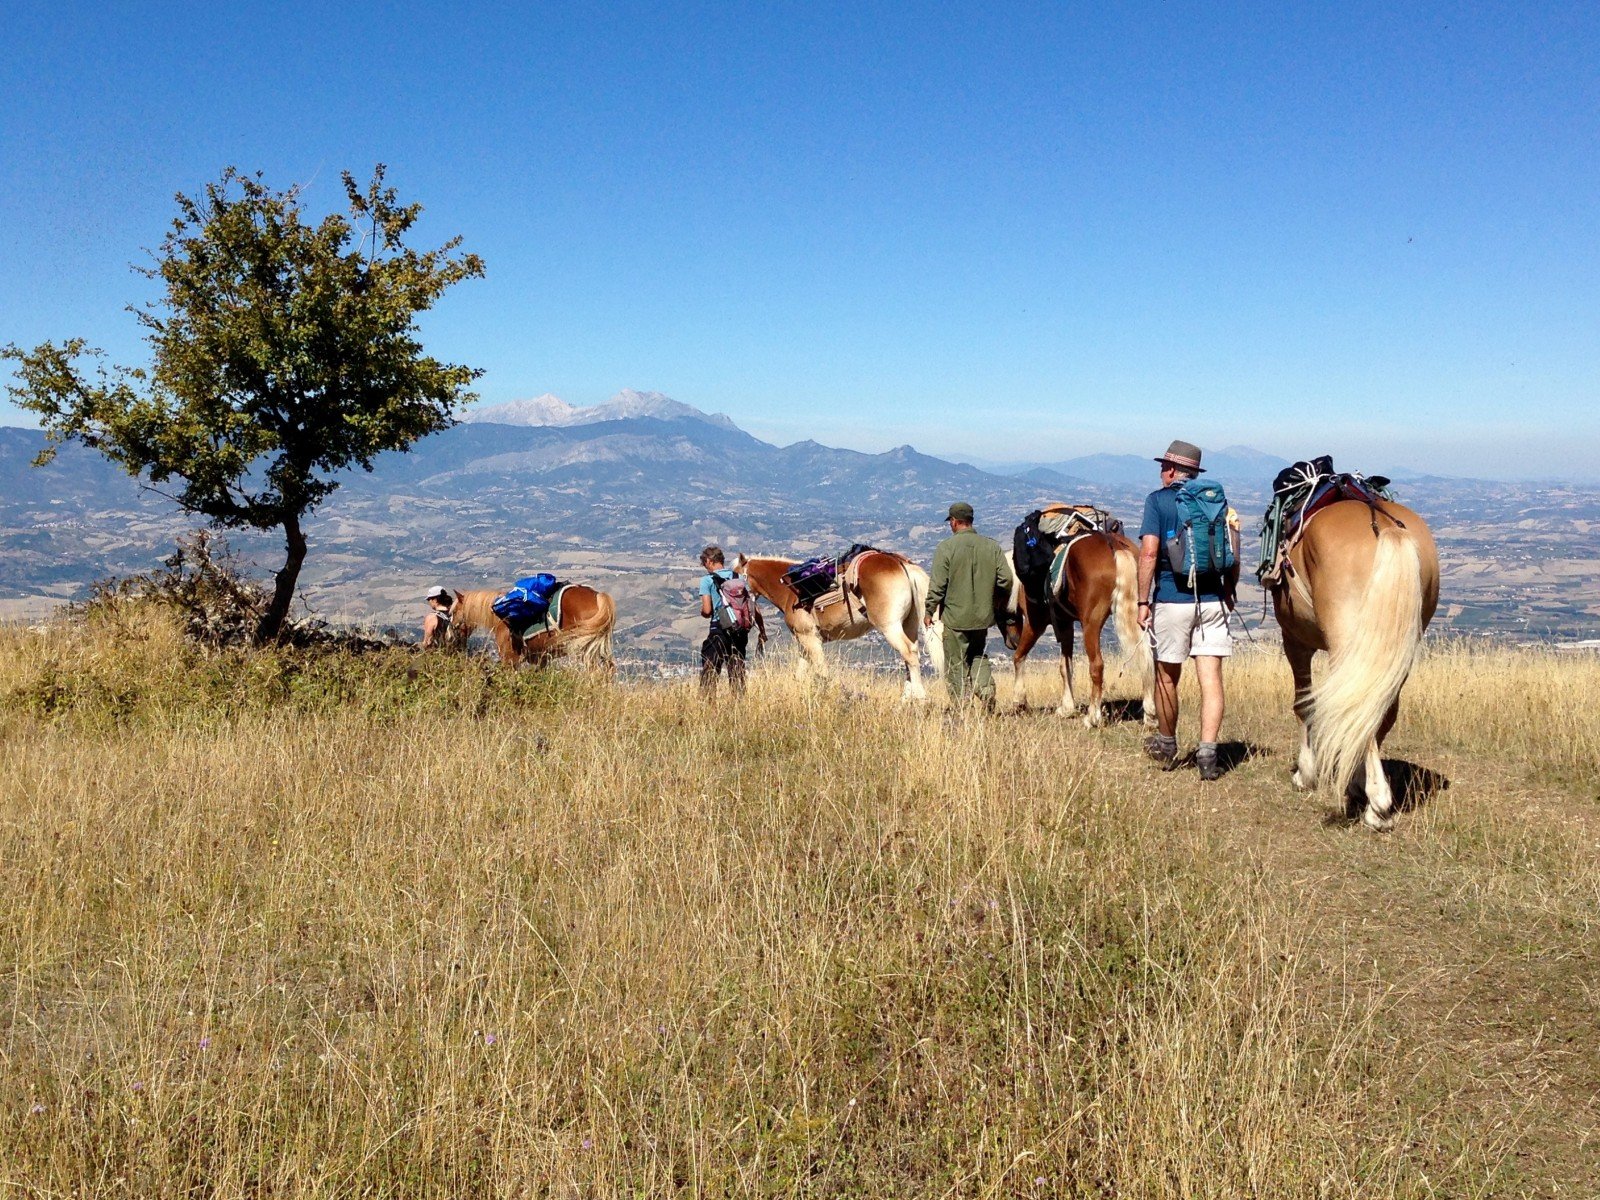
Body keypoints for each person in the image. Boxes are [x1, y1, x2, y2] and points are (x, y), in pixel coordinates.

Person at [1136, 440, 1239, 780]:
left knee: (1167, 677)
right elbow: (1232, 551)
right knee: (1211, 680)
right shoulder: (1216, 502)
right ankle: (1208, 755)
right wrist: (1228, 588)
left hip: (1172, 599)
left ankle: (1167, 746)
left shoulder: (1158, 501)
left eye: (1162, 467)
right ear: (1194, 473)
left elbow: (1149, 554)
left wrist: (1141, 601)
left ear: (1169, 470)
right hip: (1212, 601)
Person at [924, 502, 1014, 711]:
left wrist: (929, 610)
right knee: (977, 655)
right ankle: (986, 692)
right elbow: (1006, 579)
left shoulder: (946, 548)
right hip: (982, 616)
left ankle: (961, 706)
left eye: (951, 522)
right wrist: (995, 599)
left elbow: (938, 585)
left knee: (956, 663)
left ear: (954, 522)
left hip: (955, 618)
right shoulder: (992, 546)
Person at [697, 546, 765, 691]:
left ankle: (707, 707)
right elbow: (753, 606)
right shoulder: (739, 578)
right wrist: (762, 630)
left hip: (719, 629)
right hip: (739, 630)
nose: (705, 567)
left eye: (704, 563)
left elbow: (707, 610)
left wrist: (702, 612)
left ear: (709, 561)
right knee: (737, 671)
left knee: (710, 670)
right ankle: (738, 706)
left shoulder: (707, 580)